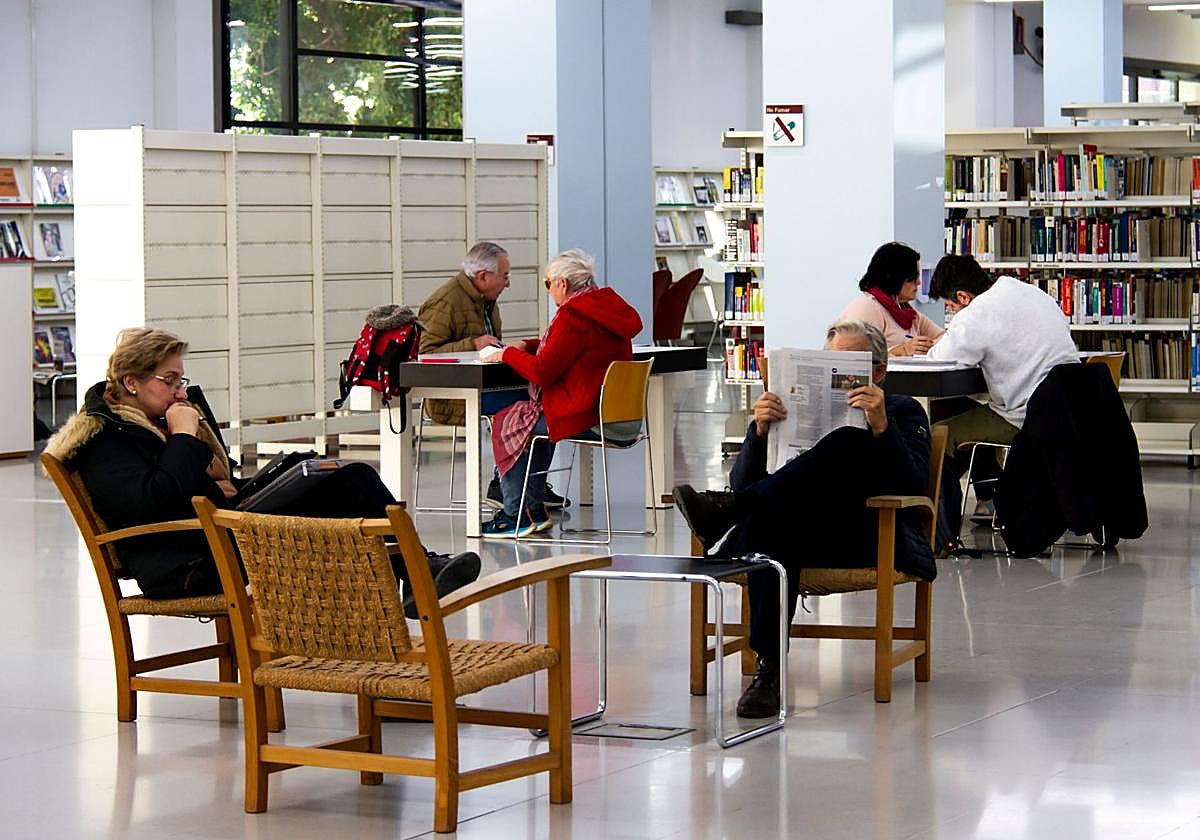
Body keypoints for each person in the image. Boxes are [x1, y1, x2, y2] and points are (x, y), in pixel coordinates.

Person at [45, 328, 480, 617]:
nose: (180, 391)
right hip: (191, 560)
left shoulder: (150, 421)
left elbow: (220, 481)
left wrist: (200, 457)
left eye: (181, 379)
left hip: (220, 529)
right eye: (170, 381)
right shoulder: (103, 438)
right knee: (345, 494)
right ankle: (417, 580)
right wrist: (183, 440)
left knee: (335, 477)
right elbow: (154, 500)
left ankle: (411, 589)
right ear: (131, 382)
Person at [672, 320, 935, 718]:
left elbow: (915, 487)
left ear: (877, 371)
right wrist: (759, 432)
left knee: (847, 440)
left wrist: (881, 426)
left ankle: (728, 512)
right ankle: (769, 672)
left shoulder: (902, 409)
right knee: (770, 527)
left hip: (862, 535)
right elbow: (743, 480)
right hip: (796, 530)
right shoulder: (790, 406)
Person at [479, 249, 643, 538]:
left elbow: (542, 372)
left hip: (585, 416)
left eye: (548, 284)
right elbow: (562, 348)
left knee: (511, 420)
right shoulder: (605, 307)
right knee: (533, 421)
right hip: (620, 417)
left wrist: (505, 355)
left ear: (563, 284)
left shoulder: (573, 315)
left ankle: (516, 514)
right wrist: (528, 346)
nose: (549, 290)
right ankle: (535, 509)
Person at [924, 255, 1079, 523]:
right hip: (1069, 404)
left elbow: (941, 359)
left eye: (950, 307)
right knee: (968, 413)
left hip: (1027, 415)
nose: (952, 314)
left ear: (963, 297)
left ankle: (938, 524)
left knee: (941, 433)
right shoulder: (1027, 291)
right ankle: (993, 496)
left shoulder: (977, 313)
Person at [417, 241, 569, 511]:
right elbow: (424, 352)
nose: (508, 283)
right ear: (483, 277)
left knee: (544, 402)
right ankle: (509, 489)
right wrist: (471, 344)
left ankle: (531, 485)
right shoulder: (445, 302)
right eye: (505, 276)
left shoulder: (487, 301)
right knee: (524, 410)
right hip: (458, 394)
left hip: (485, 386)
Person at [839, 242, 944, 357]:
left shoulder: (908, 313)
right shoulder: (866, 307)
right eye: (913, 277)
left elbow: (945, 338)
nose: (919, 282)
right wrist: (902, 351)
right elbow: (857, 358)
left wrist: (928, 346)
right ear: (895, 278)